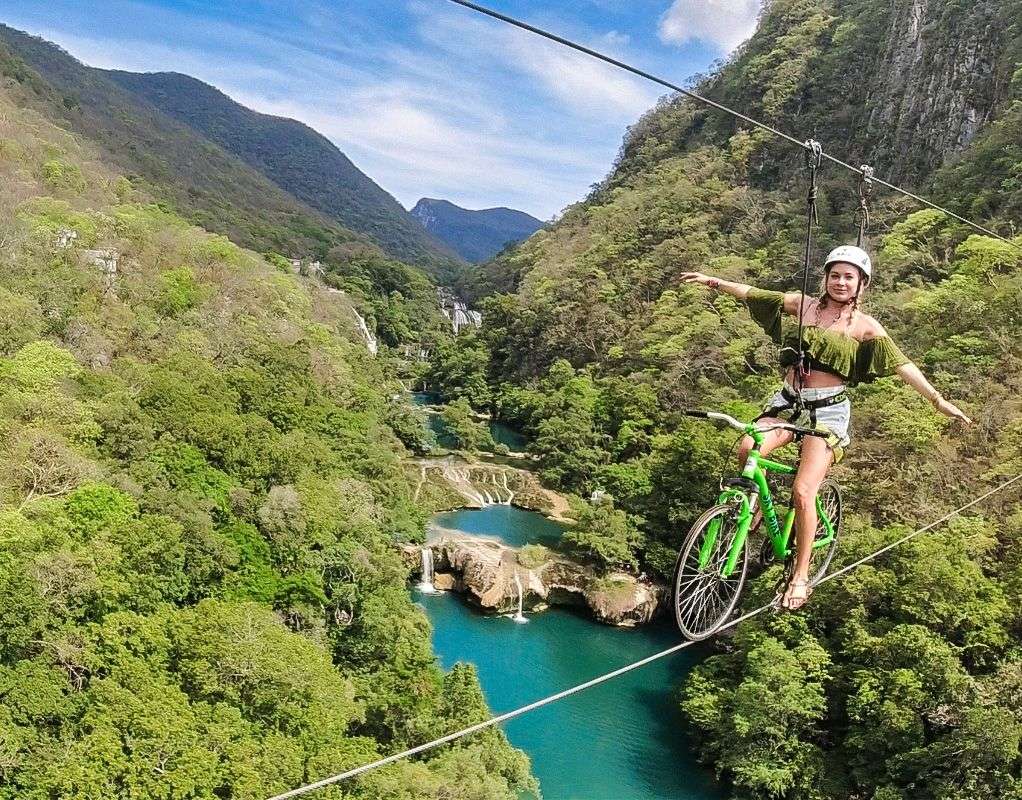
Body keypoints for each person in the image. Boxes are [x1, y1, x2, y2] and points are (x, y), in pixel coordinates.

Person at [680, 245, 971, 610]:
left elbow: (902, 365)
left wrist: (937, 400)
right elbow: (754, 293)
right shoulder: (804, 306)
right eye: (835, 275)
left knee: (803, 491)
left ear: (862, 284)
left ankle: (800, 575)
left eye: (849, 277)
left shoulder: (865, 327)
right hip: (787, 402)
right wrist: (713, 281)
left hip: (828, 412)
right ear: (826, 279)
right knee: (746, 449)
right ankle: (754, 510)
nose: (840, 282)